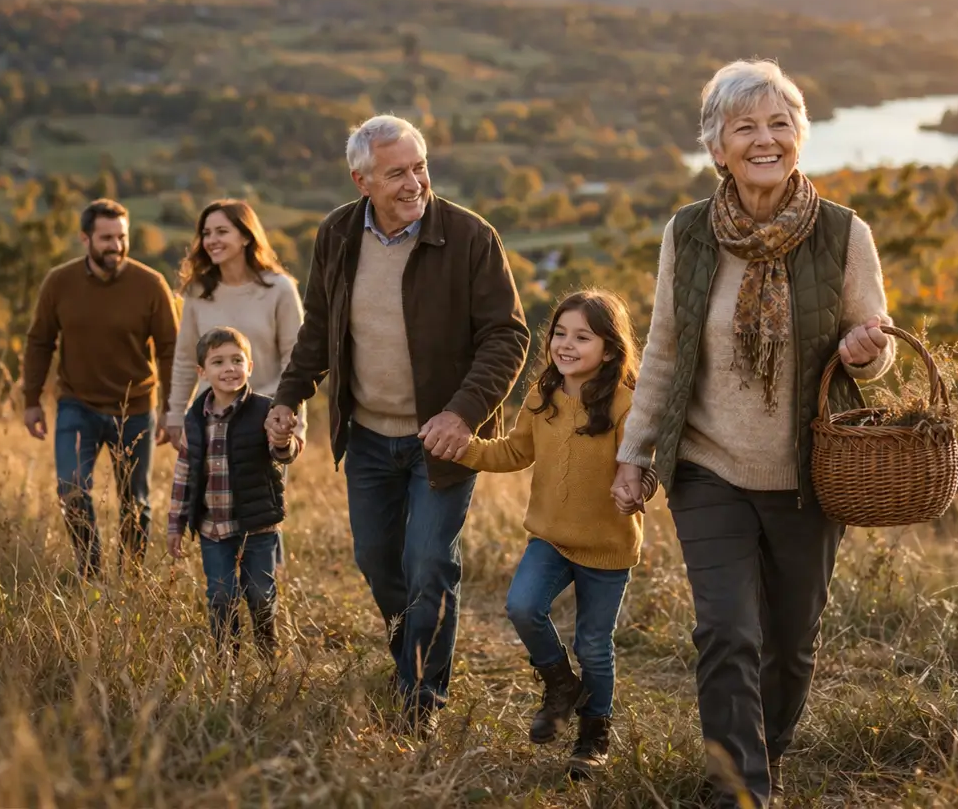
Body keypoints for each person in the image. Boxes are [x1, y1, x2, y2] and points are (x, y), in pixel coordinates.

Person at [611, 60, 895, 808]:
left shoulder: (842, 233)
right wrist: (634, 456)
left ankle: (761, 751)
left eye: (779, 124)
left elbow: (879, 338)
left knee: (791, 648)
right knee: (728, 634)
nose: (764, 139)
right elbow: (666, 349)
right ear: (718, 147)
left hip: (809, 475)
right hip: (709, 468)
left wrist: (869, 348)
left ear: (798, 137)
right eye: (745, 127)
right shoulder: (689, 234)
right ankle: (738, 791)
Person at [267, 114, 530, 737]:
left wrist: (461, 413)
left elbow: (507, 336)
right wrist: (288, 397)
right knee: (377, 558)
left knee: (429, 562)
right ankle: (410, 655)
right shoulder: (336, 234)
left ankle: (421, 700)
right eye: (397, 173)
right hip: (367, 437)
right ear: (362, 181)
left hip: (441, 441)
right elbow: (318, 329)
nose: (415, 182)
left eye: (421, 166)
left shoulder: (470, 237)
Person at [451, 289, 655, 779]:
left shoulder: (629, 404)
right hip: (551, 538)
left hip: (608, 548)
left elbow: (644, 465)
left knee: (593, 644)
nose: (566, 344)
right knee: (522, 605)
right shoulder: (541, 398)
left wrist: (636, 489)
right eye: (560, 334)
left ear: (608, 349)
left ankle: (592, 735)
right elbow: (515, 453)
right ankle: (560, 683)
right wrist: (465, 449)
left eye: (582, 337)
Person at [22, 198, 180, 578]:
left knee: (135, 502)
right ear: (85, 238)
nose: (116, 245)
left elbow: (172, 349)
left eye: (122, 237)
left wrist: (173, 408)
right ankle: (90, 571)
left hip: (136, 407)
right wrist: (31, 401)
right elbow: (40, 341)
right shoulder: (60, 282)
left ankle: (131, 575)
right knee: (71, 490)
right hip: (78, 404)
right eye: (106, 238)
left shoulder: (150, 284)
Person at [166, 328, 302, 658]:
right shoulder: (194, 419)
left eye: (237, 360)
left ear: (250, 366)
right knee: (220, 594)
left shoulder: (264, 410)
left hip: (257, 526)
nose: (229, 368)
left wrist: (284, 442)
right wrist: (176, 524)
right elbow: (183, 473)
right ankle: (227, 658)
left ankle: (267, 646)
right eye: (218, 361)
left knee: (259, 592)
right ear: (202, 372)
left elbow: (283, 453)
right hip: (214, 529)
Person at [163, 199, 304, 451]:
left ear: (246, 237)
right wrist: (175, 416)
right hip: (209, 418)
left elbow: (295, 361)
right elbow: (185, 359)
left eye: (222, 231)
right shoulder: (197, 291)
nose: (211, 240)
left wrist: (295, 423)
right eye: (206, 234)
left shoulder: (279, 289)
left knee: (262, 491)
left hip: (266, 418)